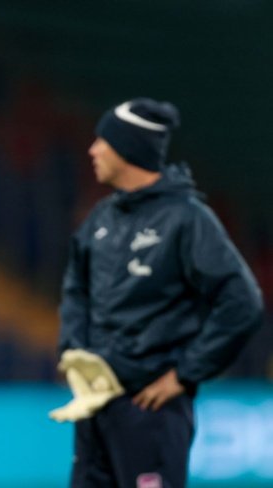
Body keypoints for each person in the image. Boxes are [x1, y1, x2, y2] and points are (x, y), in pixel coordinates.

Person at [53, 98, 263, 487]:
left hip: (150, 407)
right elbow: (76, 291)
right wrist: (73, 353)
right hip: (95, 408)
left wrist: (184, 374)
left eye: (103, 141)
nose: (93, 150)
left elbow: (242, 303)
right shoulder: (101, 218)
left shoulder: (187, 218)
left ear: (128, 148)